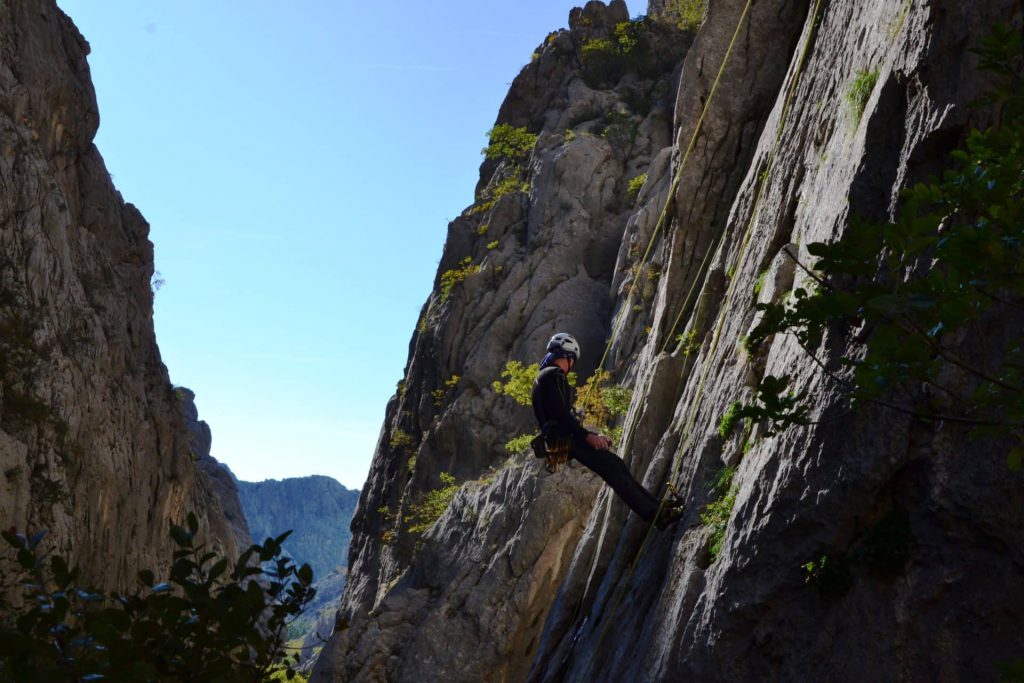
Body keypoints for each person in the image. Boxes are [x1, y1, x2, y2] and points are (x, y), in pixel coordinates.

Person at [531, 332, 684, 530]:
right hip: (566, 437)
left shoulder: (541, 378)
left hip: (557, 440)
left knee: (614, 465)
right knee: (613, 468)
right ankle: (658, 515)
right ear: (569, 357)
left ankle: (657, 508)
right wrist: (588, 436)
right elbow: (561, 414)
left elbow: (555, 413)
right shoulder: (555, 374)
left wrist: (577, 423)